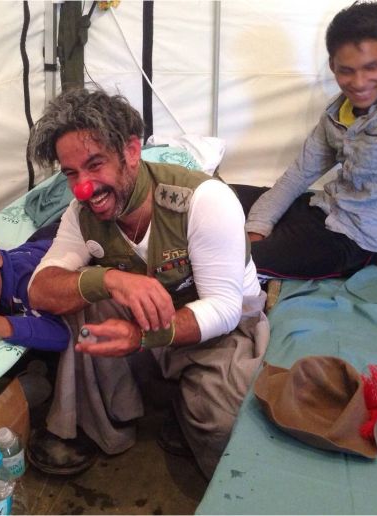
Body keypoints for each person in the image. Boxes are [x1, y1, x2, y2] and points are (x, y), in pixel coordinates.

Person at [25, 88, 270, 479]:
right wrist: (109, 278)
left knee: (226, 424)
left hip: (219, 332)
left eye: (95, 164)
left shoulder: (205, 200)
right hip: (149, 321)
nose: (83, 187)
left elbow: (225, 309)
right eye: (71, 173)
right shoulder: (80, 214)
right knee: (78, 298)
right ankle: (106, 425)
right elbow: (40, 290)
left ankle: (185, 413)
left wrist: (141, 337)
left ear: (132, 151)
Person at [233, 2, 377, 281]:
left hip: (360, 241)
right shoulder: (337, 110)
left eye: (371, 67)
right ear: (333, 65)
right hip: (325, 210)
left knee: (230, 261)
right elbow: (299, 174)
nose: (359, 82)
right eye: (347, 70)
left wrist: (253, 250)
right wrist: (258, 225)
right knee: (222, 196)